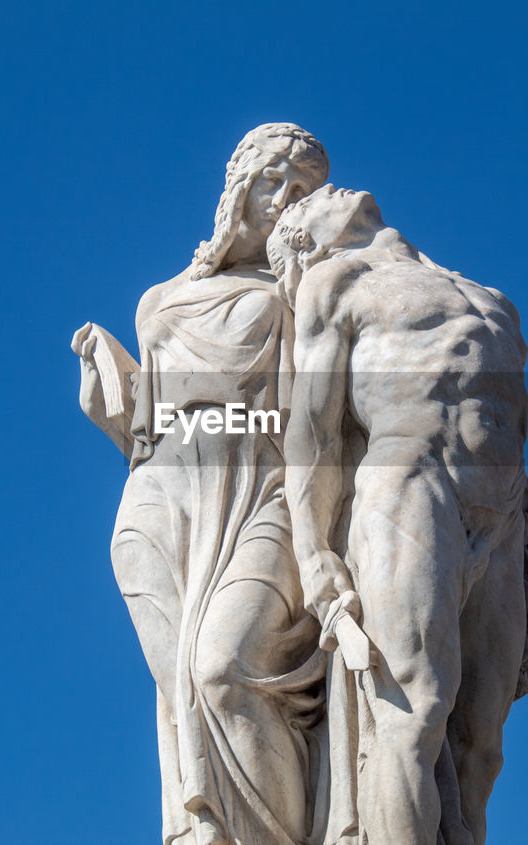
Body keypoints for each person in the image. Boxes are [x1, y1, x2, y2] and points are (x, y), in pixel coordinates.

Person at [72, 124, 328, 845]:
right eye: (275, 181)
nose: (286, 201)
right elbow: (156, 412)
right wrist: (115, 396)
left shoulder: (302, 290)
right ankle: (202, 827)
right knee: (180, 686)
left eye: (303, 190)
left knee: (222, 665)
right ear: (240, 186)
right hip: (158, 493)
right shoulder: (159, 300)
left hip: (261, 484)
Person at [273, 186, 528, 845]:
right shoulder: (335, 281)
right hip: (409, 486)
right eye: (298, 210)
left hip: (500, 523)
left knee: (483, 748)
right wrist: (313, 554)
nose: (319, 193)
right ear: (307, 244)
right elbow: (315, 433)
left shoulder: (492, 299)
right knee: (412, 714)